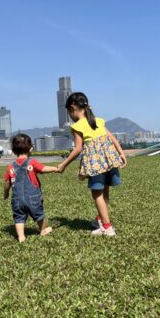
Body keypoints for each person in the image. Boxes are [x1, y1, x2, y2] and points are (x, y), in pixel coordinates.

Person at [57, 92, 127, 236]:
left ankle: (107, 227)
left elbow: (77, 149)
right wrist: (121, 153)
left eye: (69, 112)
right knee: (105, 191)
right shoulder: (98, 121)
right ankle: (100, 219)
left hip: (96, 165)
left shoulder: (77, 126)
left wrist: (64, 164)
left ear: (72, 109)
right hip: (110, 161)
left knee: (97, 194)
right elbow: (112, 137)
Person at [4, 134, 59, 242]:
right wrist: (55, 168)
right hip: (33, 197)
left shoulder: (10, 166)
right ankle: (43, 230)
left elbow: (7, 183)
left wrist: (6, 193)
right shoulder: (32, 162)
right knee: (39, 214)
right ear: (31, 149)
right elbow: (43, 168)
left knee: (19, 217)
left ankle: (21, 236)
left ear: (13, 151)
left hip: (17, 199)